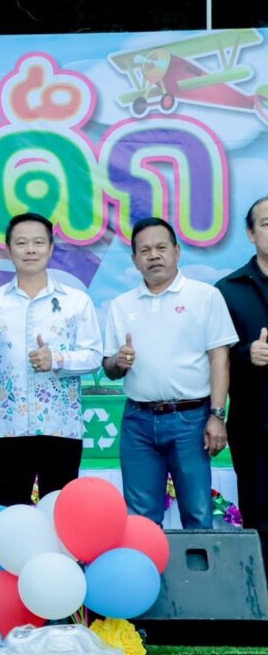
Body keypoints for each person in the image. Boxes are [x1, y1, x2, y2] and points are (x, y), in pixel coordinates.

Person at [103, 217, 237, 528]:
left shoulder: (204, 296)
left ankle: (198, 564)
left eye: (161, 248)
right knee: (140, 520)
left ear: (176, 251)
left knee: (197, 514)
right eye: (145, 250)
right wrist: (119, 362)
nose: (154, 256)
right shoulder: (121, 305)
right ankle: (148, 564)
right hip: (138, 421)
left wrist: (217, 416)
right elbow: (109, 368)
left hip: (190, 420)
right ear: (135, 260)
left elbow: (220, 358)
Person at [0, 213, 103, 504]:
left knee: (59, 514)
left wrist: (57, 359)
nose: (30, 250)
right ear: (8, 249)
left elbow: (93, 356)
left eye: (38, 243)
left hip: (60, 429)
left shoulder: (76, 302)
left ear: (50, 249)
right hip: (8, 429)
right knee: (11, 513)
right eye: (21, 243)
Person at [216, 195, 268, 569]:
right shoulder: (228, 289)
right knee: (260, 517)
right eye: (266, 224)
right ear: (250, 234)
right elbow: (215, 358)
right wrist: (247, 353)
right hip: (255, 430)